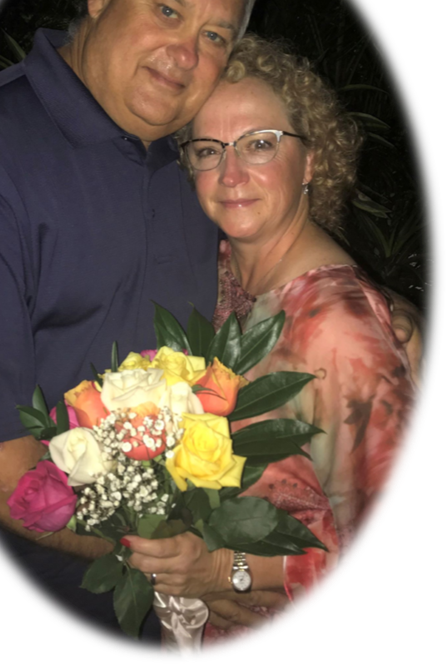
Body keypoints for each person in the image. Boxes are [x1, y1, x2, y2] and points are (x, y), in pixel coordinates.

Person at [0, 0, 424, 655]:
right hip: (59, 597)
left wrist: (381, 316)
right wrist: (169, 560)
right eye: (168, 9)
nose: (184, 53)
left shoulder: (175, 155)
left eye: (213, 34)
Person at [124, 35, 425, 656]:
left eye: (260, 144)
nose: (231, 175)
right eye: (209, 150)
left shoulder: (337, 328)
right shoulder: (221, 269)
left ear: (312, 160)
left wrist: (224, 570)